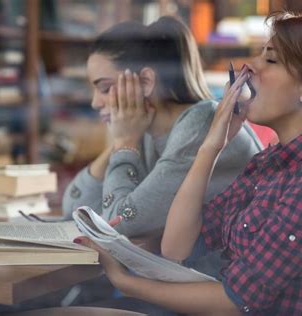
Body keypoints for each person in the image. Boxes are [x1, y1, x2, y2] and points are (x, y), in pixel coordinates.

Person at [76, 11, 302, 315]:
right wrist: (211, 144)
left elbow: (234, 302)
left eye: (270, 60)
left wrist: (127, 282)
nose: (249, 66)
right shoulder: (272, 161)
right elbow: (176, 247)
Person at [62, 16, 262, 275]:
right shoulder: (146, 131)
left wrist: (124, 142)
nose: (95, 103)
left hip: (221, 297)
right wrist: (122, 141)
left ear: (145, 82)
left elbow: (117, 224)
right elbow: (73, 208)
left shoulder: (200, 124)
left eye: (105, 88)